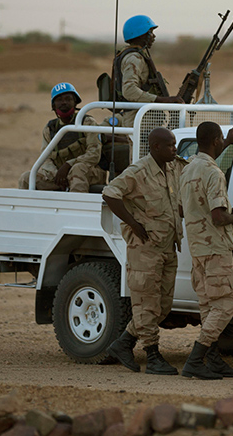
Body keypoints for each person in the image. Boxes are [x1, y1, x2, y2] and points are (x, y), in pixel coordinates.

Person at [101, 127, 185, 375]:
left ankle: (124, 343)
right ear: (156, 147)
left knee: (163, 306)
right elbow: (110, 193)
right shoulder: (138, 172)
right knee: (146, 303)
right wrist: (133, 223)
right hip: (145, 250)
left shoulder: (173, 167)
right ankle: (152, 354)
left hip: (168, 247)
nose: (175, 149)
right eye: (170, 145)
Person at [179, 121, 233, 380]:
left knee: (207, 304)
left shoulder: (188, 169)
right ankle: (195, 359)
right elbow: (219, 216)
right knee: (225, 305)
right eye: (221, 140)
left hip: (197, 245)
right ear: (216, 139)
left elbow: (183, 209)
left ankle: (213, 358)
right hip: (216, 246)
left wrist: (228, 142)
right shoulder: (214, 173)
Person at [18, 82, 104, 192]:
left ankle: (75, 208)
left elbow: (94, 154)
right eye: (59, 100)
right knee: (26, 178)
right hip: (59, 175)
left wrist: (69, 165)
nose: (64, 102)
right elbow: (46, 158)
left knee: (77, 170)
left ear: (75, 102)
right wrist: (57, 174)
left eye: (68, 99)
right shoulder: (50, 129)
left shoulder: (87, 122)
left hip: (89, 172)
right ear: (53, 105)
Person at [114, 15, 183, 128]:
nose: (153, 36)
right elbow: (129, 90)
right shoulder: (134, 58)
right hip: (138, 118)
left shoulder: (137, 55)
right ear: (140, 34)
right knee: (140, 146)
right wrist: (162, 100)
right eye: (150, 32)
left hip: (143, 117)